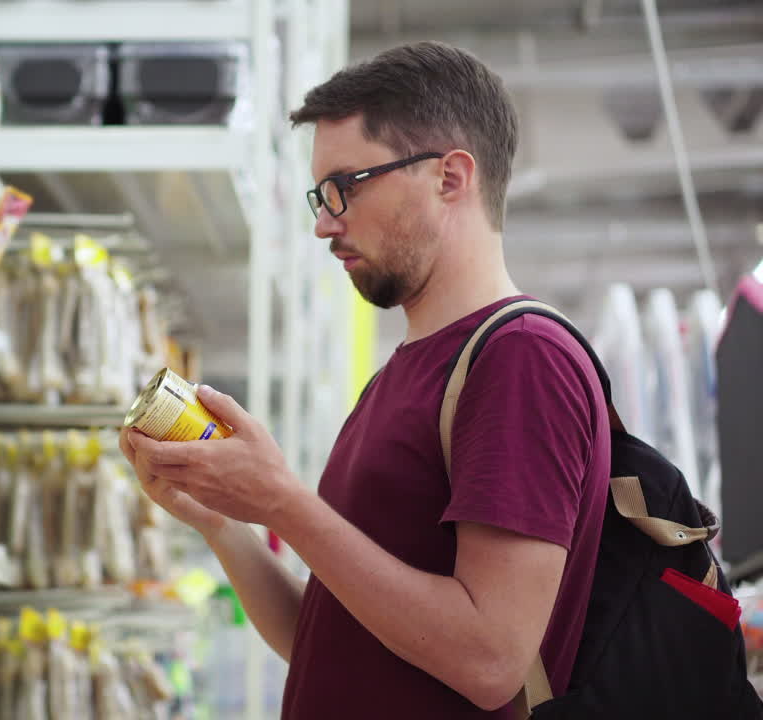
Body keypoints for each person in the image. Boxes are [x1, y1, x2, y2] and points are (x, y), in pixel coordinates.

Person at [119, 41, 610, 718]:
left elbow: (493, 659)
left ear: (450, 177)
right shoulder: (404, 376)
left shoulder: (521, 358)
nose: (324, 223)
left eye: (345, 187)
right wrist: (222, 523)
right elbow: (325, 638)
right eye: (320, 196)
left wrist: (286, 503)